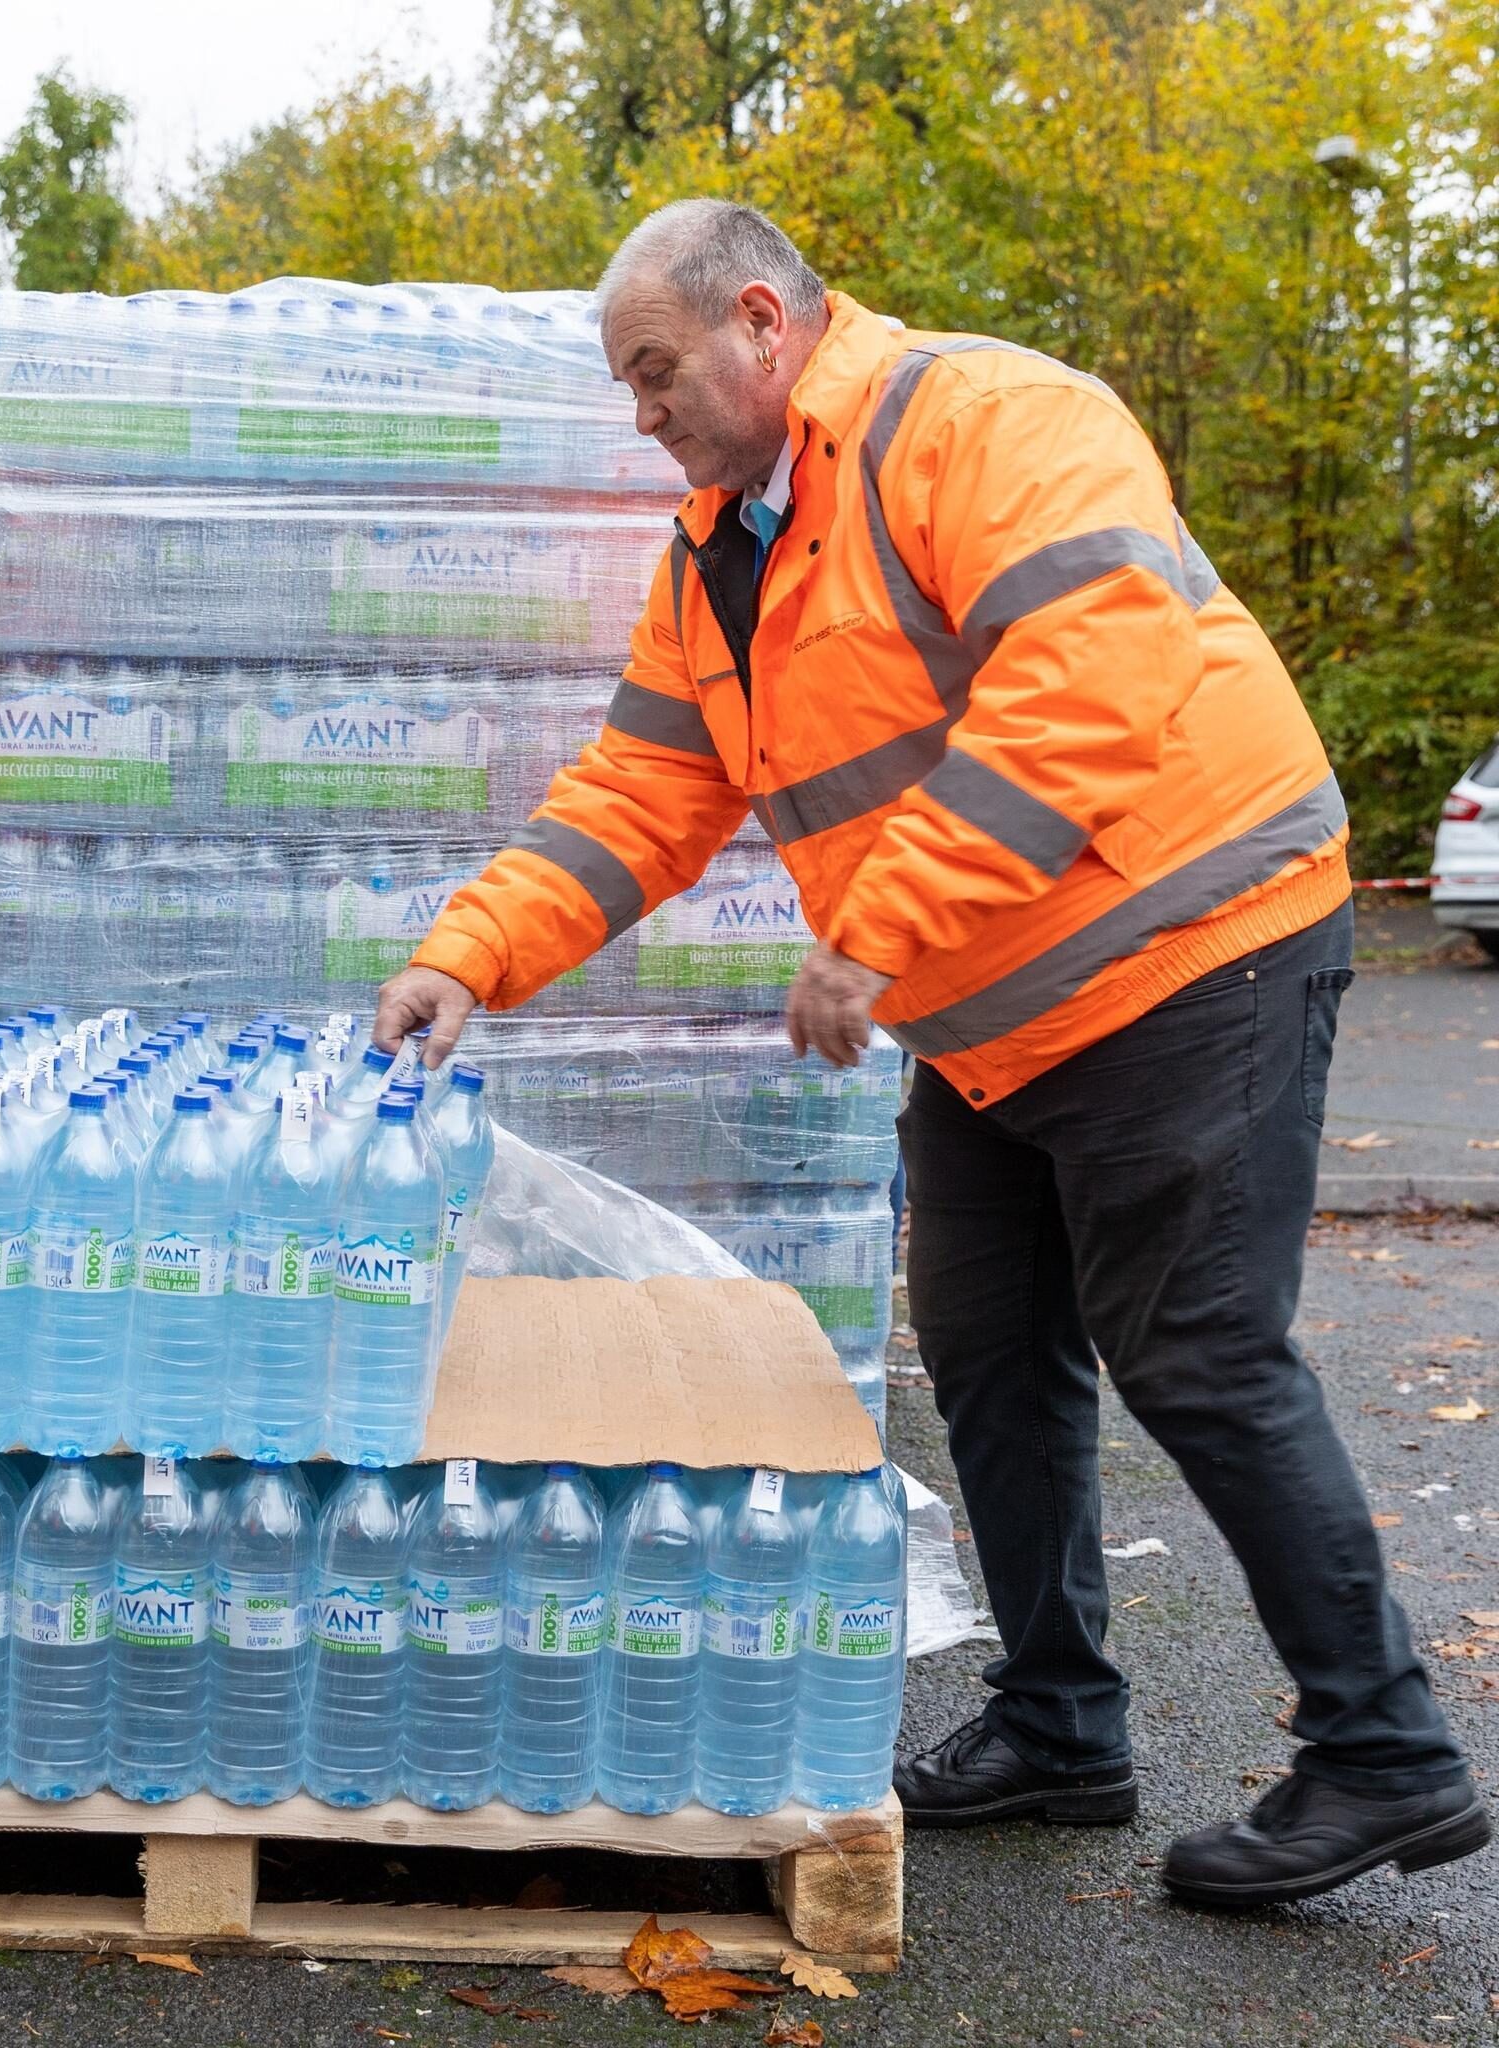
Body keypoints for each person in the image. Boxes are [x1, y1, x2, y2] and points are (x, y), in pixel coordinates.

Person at [373, 200, 1489, 1907]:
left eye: (656, 369)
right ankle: (1057, 1721)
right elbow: (637, 798)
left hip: (1188, 952)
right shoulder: (713, 558)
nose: (642, 409)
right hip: (993, 1024)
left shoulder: (980, 421)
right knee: (985, 1343)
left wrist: (880, 922)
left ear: (760, 320)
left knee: (1189, 1346)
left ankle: (1384, 1750)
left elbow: (1085, 671)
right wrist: (466, 955)